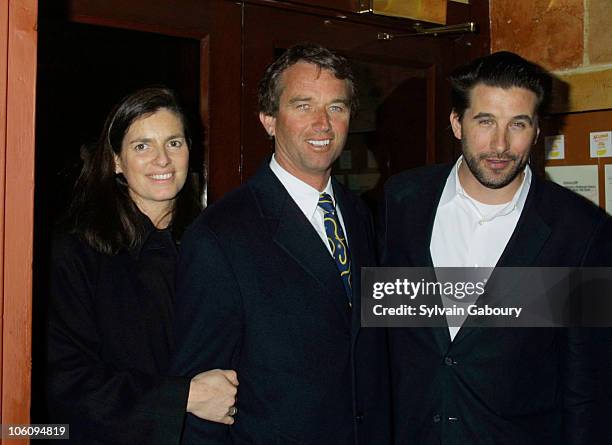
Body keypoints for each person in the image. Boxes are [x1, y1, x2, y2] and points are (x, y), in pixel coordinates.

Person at [379, 51, 612, 444]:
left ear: (538, 130)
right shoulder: (401, 202)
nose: (500, 144)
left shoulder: (581, 231)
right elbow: (381, 327)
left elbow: (587, 386)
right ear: (457, 123)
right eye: (485, 121)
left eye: (517, 124)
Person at [170, 43, 390, 444]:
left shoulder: (359, 215)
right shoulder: (219, 236)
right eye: (303, 106)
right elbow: (201, 401)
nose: (322, 124)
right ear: (269, 120)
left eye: (336, 108)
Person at [47, 87, 239, 444]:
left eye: (174, 143)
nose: (162, 159)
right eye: (142, 146)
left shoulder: (215, 244)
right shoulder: (76, 251)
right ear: (117, 160)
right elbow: (64, 381)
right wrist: (183, 397)